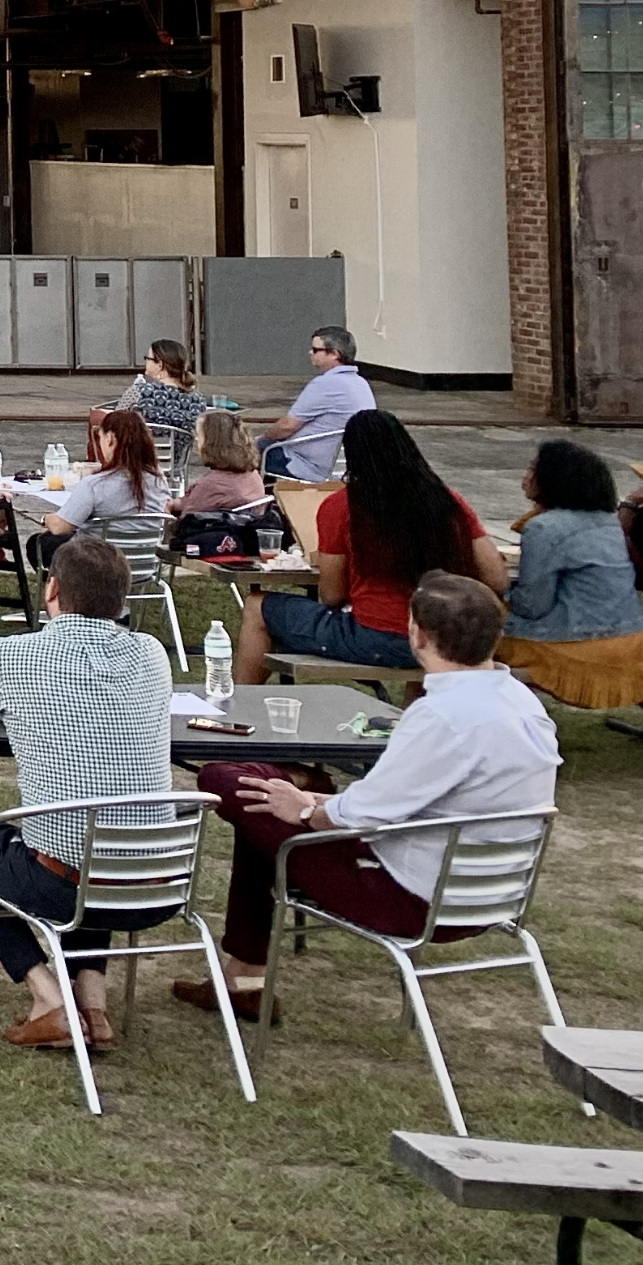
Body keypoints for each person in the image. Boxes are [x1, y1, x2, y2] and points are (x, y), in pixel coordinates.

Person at [181, 572, 561, 1023]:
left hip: (410, 898)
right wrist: (312, 805)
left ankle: (245, 974)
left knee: (225, 780)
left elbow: (358, 817)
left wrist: (306, 809)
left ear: (417, 634)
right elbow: (392, 801)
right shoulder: (522, 704)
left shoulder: (441, 716)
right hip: (496, 893)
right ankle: (243, 978)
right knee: (271, 804)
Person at [0, 535, 175, 1053]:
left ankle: (48, 995)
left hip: (66, 881)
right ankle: (93, 1006)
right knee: (96, 826)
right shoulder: (152, 653)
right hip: (158, 883)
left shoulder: (12, 654)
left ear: (51, 589)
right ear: (122, 600)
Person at [238, 409, 506, 683]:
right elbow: (496, 577)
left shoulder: (341, 506)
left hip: (377, 636)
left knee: (257, 606)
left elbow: (331, 595)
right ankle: (410, 718)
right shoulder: (449, 501)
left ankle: (240, 706)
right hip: (444, 634)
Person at [493, 439, 643, 705]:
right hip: (629, 640)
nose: (525, 477)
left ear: (554, 478)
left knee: (478, 624)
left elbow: (533, 606)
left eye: (531, 469)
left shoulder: (544, 528)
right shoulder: (607, 522)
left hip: (576, 646)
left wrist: (500, 588)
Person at [26, 407, 165, 567]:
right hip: (144, 566)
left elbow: (60, 527)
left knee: (39, 543)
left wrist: (46, 518)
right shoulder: (159, 480)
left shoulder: (94, 484)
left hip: (97, 568)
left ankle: (62, 589)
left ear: (109, 439)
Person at [261, 324, 374, 481]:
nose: (310, 353)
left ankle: (250, 503)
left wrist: (262, 438)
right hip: (343, 466)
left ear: (334, 354)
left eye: (315, 350)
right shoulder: (361, 383)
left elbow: (287, 426)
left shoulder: (326, 384)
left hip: (307, 466)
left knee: (245, 454)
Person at [118, 338, 203, 459]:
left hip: (138, 468)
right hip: (175, 470)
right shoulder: (197, 400)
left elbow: (114, 421)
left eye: (148, 358)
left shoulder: (139, 391)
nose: (146, 361)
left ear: (160, 365)